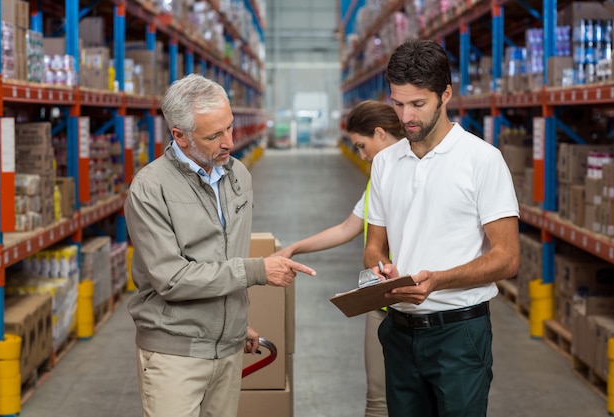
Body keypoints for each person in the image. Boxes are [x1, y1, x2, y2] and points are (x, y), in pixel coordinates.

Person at [123, 73, 316, 417]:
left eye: (228, 127)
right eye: (214, 135)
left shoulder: (238, 175)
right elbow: (172, 279)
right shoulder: (150, 189)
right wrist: (258, 270)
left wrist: (233, 324)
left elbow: (224, 258)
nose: (228, 141)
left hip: (228, 349)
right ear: (180, 136)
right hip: (175, 354)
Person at [363, 39, 520, 417]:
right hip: (398, 331)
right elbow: (373, 245)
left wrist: (438, 280)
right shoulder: (385, 163)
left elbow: (507, 258)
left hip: (459, 336)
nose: (406, 117)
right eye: (398, 104)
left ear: (446, 94)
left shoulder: (482, 160)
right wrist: (380, 268)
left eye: (418, 104)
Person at [274, 100, 404, 417]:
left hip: (419, 300)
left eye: (362, 145)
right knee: (377, 399)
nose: (361, 155)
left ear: (381, 134)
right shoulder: (379, 179)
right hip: (383, 302)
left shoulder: (422, 174)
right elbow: (347, 228)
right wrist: (293, 248)